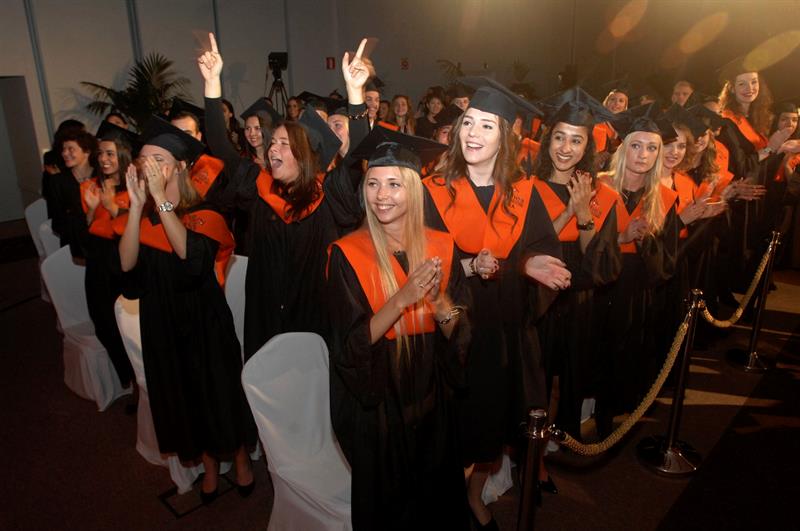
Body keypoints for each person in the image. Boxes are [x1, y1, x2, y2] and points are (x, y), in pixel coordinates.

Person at [423, 76, 567, 529]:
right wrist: (467, 269)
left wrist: (526, 266)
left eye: (487, 126)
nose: (473, 133)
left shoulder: (524, 194)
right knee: (449, 430)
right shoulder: (433, 190)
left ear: (505, 138)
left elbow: (539, 247)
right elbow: (419, 264)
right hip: (450, 333)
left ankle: (471, 495)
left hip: (502, 334)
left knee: (488, 431)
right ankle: (445, 505)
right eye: (468, 122)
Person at [328, 127, 469, 530]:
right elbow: (349, 345)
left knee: (435, 498)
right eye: (372, 183)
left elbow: (457, 334)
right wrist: (402, 299)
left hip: (432, 394)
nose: (381, 194)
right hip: (381, 401)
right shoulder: (347, 254)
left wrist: (439, 300)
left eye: (393, 184)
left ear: (412, 190)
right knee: (390, 507)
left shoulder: (442, 245)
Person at [198, 33, 370, 360]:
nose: (272, 148)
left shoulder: (328, 194)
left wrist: (355, 93)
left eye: (283, 144)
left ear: (304, 155)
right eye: (272, 141)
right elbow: (221, 147)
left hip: (314, 314)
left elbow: (358, 153)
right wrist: (211, 84)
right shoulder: (258, 188)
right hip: (266, 313)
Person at [117, 116, 256, 503]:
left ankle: (241, 459)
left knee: (218, 394)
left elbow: (191, 259)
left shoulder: (206, 210)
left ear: (179, 165)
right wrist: (133, 208)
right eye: (144, 160)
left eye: (158, 159)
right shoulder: (145, 213)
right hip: (162, 319)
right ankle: (209, 466)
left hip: (204, 321)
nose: (149, 167)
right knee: (187, 398)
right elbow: (127, 267)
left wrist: (160, 199)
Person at [531, 87, 623, 454]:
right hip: (538, 296)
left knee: (563, 380)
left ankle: (557, 442)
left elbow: (595, 263)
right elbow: (533, 247)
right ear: (547, 140)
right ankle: (531, 459)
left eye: (576, 140)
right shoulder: (528, 188)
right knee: (536, 380)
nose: (566, 148)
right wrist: (569, 209)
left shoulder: (603, 194)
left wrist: (584, 213)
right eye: (559, 137)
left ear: (588, 147)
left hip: (579, 300)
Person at [594, 107, 681, 437]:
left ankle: (611, 419)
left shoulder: (665, 199)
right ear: (623, 147)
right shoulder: (598, 188)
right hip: (599, 285)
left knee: (625, 353)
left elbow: (668, 264)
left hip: (636, 289)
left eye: (652, 148)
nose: (643, 155)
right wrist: (621, 238)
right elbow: (581, 248)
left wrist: (644, 243)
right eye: (636, 145)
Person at [79, 121, 137, 390]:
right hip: (99, 263)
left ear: (123, 155)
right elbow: (84, 234)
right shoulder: (89, 187)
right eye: (100, 153)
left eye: (110, 153)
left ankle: (142, 378)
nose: (103, 159)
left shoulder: (134, 188)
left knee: (131, 324)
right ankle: (128, 378)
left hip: (126, 262)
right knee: (104, 322)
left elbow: (135, 232)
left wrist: (112, 207)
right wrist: (92, 211)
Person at [50, 129, 97, 258]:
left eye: (71, 149)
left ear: (86, 151)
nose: (65, 153)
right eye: (63, 149)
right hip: (76, 244)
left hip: (104, 240)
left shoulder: (101, 177)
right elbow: (57, 223)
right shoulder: (58, 181)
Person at [239, 98, 281, 169]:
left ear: (267, 130)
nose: (252, 133)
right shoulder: (243, 160)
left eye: (257, 128)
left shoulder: (279, 158)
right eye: (248, 128)